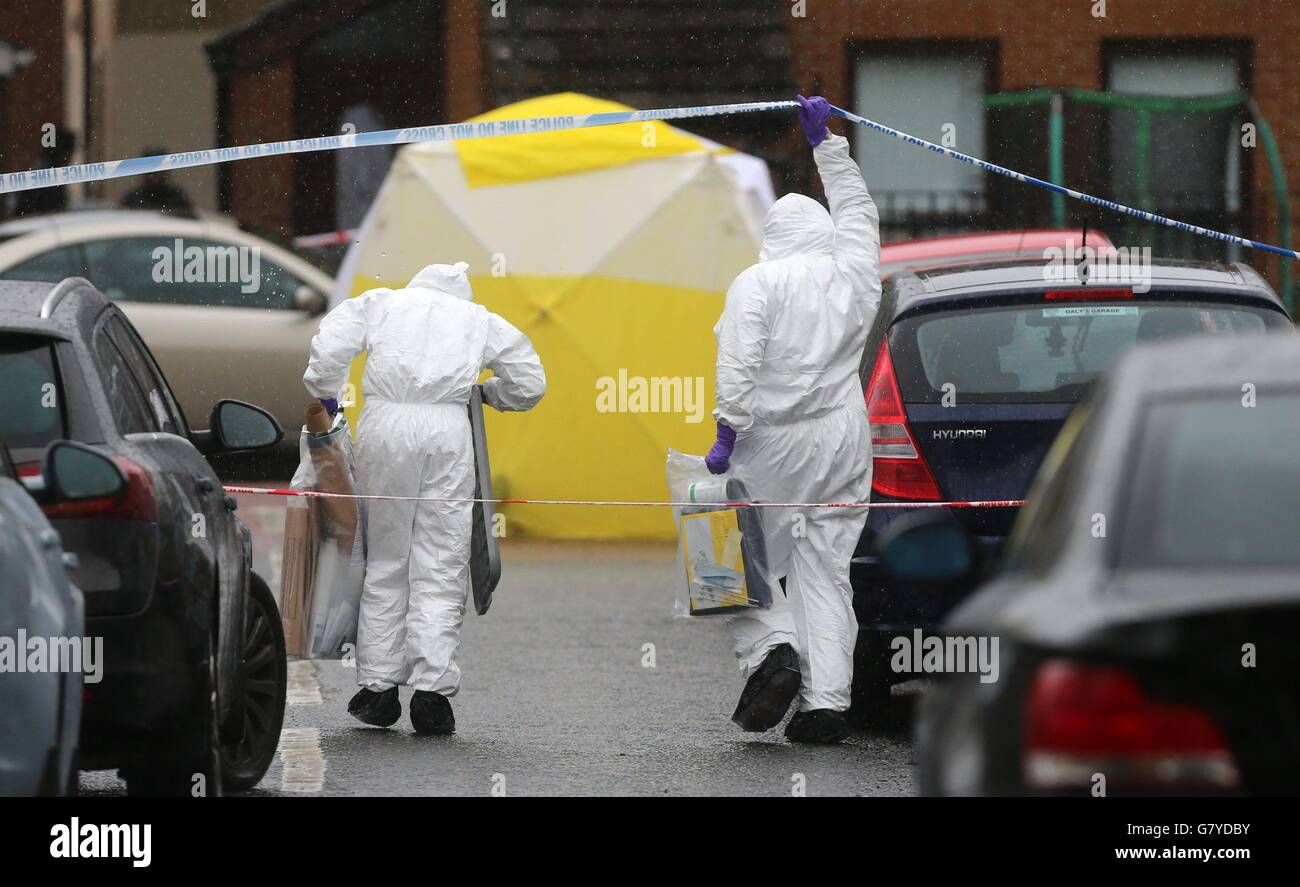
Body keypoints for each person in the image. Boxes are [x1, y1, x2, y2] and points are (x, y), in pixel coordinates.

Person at [303, 262, 545, 734]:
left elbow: (330, 344)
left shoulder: (385, 303)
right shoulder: (477, 319)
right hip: (448, 432)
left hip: (386, 428)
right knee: (440, 562)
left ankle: (378, 690)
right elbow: (531, 384)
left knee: (387, 560)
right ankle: (432, 695)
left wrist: (327, 397)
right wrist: (490, 394)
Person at [705, 95, 881, 744]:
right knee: (825, 567)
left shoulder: (759, 282)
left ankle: (771, 650)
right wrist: (827, 144)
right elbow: (859, 214)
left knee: (726, 555)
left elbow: (740, 357)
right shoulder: (854, 273)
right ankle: (825, 702)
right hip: (841, 435)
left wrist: (727, 429)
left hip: (771, 438)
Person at [119, 148, 193, 214]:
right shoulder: (132, 198)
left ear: (165, 172)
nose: (153, 176)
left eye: (158, 172)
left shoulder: (176, 198)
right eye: (149, 171)